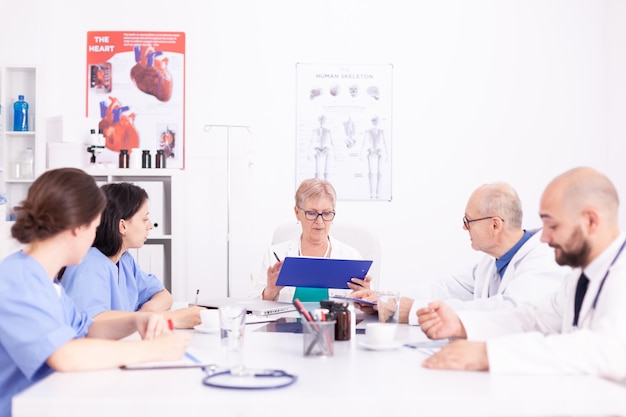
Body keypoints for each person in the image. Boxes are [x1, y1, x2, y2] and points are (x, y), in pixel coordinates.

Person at [0, 168, 190, 417]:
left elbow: (87, 328)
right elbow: (64, 355)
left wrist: (137, 320)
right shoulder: (18, 280)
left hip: (54, 400)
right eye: (95, 227)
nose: (95, 237)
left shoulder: (48, 284)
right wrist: (154, 351)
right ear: (78, 228)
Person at [418, 167, 626, 381]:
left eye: (552, 225)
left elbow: (607, 350)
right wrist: (461, 324)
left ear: (590, 221)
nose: (544, 238)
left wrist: (487, 355)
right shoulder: (579, 278)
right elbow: (535, 319)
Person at [352, 182, 569, 323]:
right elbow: (446, 288)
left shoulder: (543, 261)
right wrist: (387, 299)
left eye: (468, 221)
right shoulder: (490, 263)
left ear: (495, 225)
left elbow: (508, 312)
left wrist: (413, 309)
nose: (465, 228)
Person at [60, 182, 204, 329]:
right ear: (122, 226)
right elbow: (92, 321)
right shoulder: (88, 265)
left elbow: (164, 295)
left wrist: (147, 311)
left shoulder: (125, 260)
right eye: (144, 219)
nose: (150, 225)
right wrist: (164, 319)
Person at [250, 178, 371, 302]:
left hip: (335, 322)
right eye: (312, 213)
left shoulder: (352, 257)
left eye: (326, 213)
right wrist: (271, 291)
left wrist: (364, 295)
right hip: (286, 322)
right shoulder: (275, 255)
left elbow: (366, 312)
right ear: (297, 212)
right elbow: (253, 307)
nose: (319, 221)